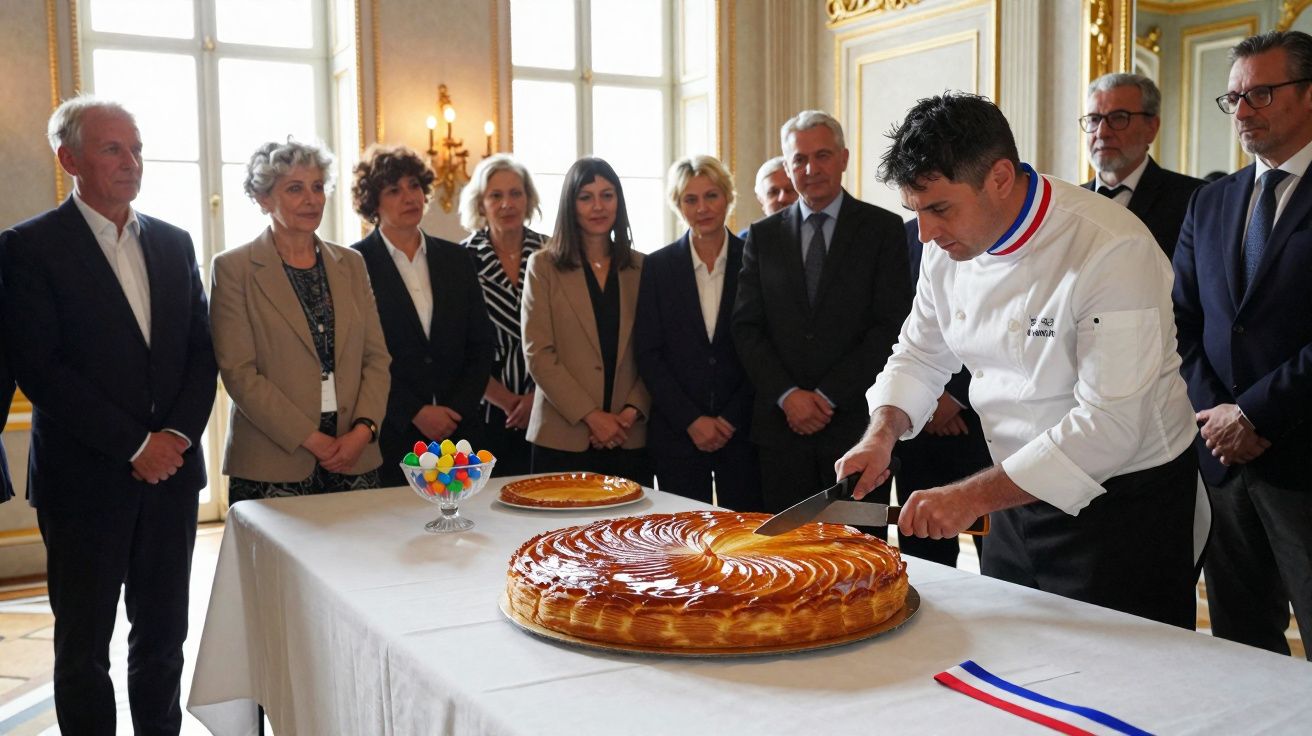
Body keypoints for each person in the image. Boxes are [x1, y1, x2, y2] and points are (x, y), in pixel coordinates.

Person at [836, 92, 1200, 629]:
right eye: (915, 212)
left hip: (1123, 506)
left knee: (1123, 687)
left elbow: (1110, 426)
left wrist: (966, 497)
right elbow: (918, 352)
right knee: (1017, 662)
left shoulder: (1110, 248)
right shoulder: (948, 247)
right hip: (1012, 492)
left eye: (939, 208)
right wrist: (881, 434)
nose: (926, 234)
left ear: (1001, 178)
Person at [0, 95, 217, 734]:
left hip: (171, 480)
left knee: (162, 641)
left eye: (137, 149)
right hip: (84, 483)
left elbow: (202, 355)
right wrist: (133, 446)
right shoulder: (28, 248)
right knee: (83, 651)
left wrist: (173, 438)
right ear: (69, 158)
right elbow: (42, 369)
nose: (131, 163)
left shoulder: (174, 243)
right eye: (112, 149)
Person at [1173, 30, 1312, 658]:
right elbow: (1179, 321)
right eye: (1234, 100)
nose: (1245, 113)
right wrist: (1217, 418)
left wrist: (1254, 412)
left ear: (1309, 95)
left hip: (1304, 456)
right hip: (1222, 462)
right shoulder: (1212, 201)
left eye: (1261, 94)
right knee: (1241, 648)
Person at [732, 110, 912, 516]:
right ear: (787, 164)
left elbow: (889, 326)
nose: (810, 169)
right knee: (787, 561)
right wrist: (789, 396)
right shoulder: (763, 236)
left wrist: (827, 394)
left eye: (823, 155)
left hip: (857, 429)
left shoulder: (883, 230)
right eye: (799, 159)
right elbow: (747, 328)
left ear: (844, 158)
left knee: (859, 557)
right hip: (780, 432)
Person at [211, 139, 390, 502]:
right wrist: (311, 440)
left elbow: (377, 358)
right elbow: (239, 373)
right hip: (272, 459)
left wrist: (363, 431)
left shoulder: (351, 264)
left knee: (354, 559)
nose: (312, 199)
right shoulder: (234, 268)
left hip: (353, 455)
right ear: (263, 199)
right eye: (295, 189)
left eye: (318, 187)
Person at [351, 145, 494, 487]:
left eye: (414, 186)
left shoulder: (456, 259)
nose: (409, 197)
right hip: (391, 432)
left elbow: (481, 345)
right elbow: (356, 356)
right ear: (373, 202)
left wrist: (455, 409)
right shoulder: (354, 264)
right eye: (394, 190)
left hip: (459, 431)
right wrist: (413, 412)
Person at [636, 155, 761, 510]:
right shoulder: (657, 266)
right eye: (690, 199)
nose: (702, 208)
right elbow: (648, 352)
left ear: (728, 198)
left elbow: (763, 347)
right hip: (678, 433)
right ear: (678, 205)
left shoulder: (755, 258)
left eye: (712, 196)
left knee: (744, 536)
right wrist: (691, 420)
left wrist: (728, 419)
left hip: (742, 431)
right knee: (683, 540)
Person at [521, 157, 652, 484]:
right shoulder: (543, 266)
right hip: (563, 435)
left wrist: (629, 413)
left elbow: (656, 350)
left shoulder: (643, 267)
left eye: (607, 195)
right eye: (586, 197)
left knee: (629, 535)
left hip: (628, 433)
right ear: (570, 204)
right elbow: (539, 353)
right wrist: (593, 418)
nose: (598, 206)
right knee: (558, 535)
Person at [892, 218, 991, 566]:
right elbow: (907, 330)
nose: (926, 227)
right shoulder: (905, 236)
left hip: (981, 423)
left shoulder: (1002, 236)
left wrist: (954, 397)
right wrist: (927, 402)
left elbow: (997, 334)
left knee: (997, 561)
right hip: (918, 424)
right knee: (924, 554)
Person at [458, 154, 547, 476]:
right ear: (481, 204)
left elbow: (569, 336)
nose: (507, 203)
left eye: (515, 193)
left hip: (548, 404)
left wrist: (535, 398)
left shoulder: (551, 253)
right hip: (486, 407)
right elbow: (458, 344)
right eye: (496, 195)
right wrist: (507, 401)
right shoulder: (460, 259)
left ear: (528, 199)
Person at [1081, 72, 1205, 259]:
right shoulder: (1069, 202)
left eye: (1119, 118)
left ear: (1151, 128)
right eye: (1094, 119)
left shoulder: (1194, 199)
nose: (1102, 132)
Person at [737, 156, 798, 239]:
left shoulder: (816, 235)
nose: (783, 198)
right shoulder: (748, 239)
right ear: (761, 201)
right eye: (773, 192)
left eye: (790, 190)